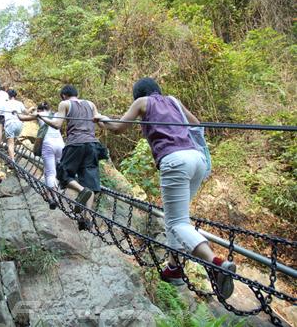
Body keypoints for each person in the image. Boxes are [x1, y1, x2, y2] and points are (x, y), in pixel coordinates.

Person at [95, 77, 236, 299]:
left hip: (175, 161)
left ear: (139, 93)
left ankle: (216, 263)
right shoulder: (173, 100)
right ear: (157, 89)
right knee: (179, 219)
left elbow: (118, 128)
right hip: (197, 159)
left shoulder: (142, 102)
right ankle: (174, 267)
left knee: (177, 222)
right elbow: (197, 124)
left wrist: (102, 120)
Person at [39, 85, 107, 229]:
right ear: (77, 93)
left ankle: (82, 191)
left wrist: (41, 117)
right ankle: (86, 219)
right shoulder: (90, 104)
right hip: (93, 145)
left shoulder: (65, 104)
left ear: (64, 95)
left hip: (75, 144)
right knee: (90, 183)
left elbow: (57, 124)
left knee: (62, 174)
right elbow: (101, 123)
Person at [17, 102, 65, 209]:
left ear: (39, 110)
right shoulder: (57, 114)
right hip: (61, 145)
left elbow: (22, 118)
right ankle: (55, 192)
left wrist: (16, 112)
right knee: (58, 170)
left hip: (48, 144)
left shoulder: (39, 114)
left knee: (50, 173)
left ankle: (53, 198)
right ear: (49, 108)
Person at [0, 89, 26, 160]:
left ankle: (12, 161)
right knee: (13, 141)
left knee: (10, 144)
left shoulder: (5, 103)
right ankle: (12, 155)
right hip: (19, 124)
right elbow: (25, 112)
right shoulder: (20, 103)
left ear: (8, 95)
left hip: (10, 123)